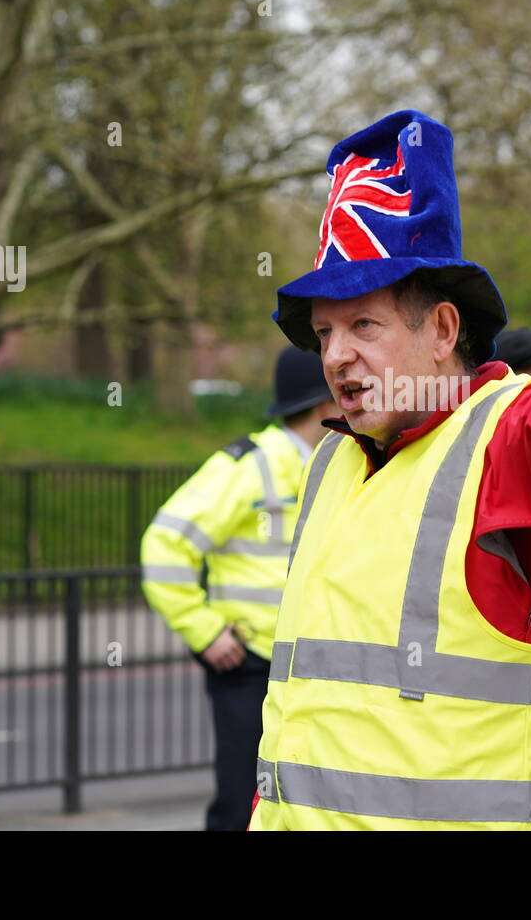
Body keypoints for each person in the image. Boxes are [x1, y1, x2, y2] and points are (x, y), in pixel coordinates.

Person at [250, 109, 531, 830]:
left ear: (444, 331)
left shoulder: (503, 440)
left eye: (365, 326)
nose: (333, 357)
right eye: (325, 332)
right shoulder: (333, 458)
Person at [140, 345, 335, 831]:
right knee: (241, 802)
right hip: (250, 663)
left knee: (299, 803)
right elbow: (165, 544)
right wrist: (204, 631)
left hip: (306, 666)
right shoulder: (253, 465)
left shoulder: (334, 463)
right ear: (324, 404)